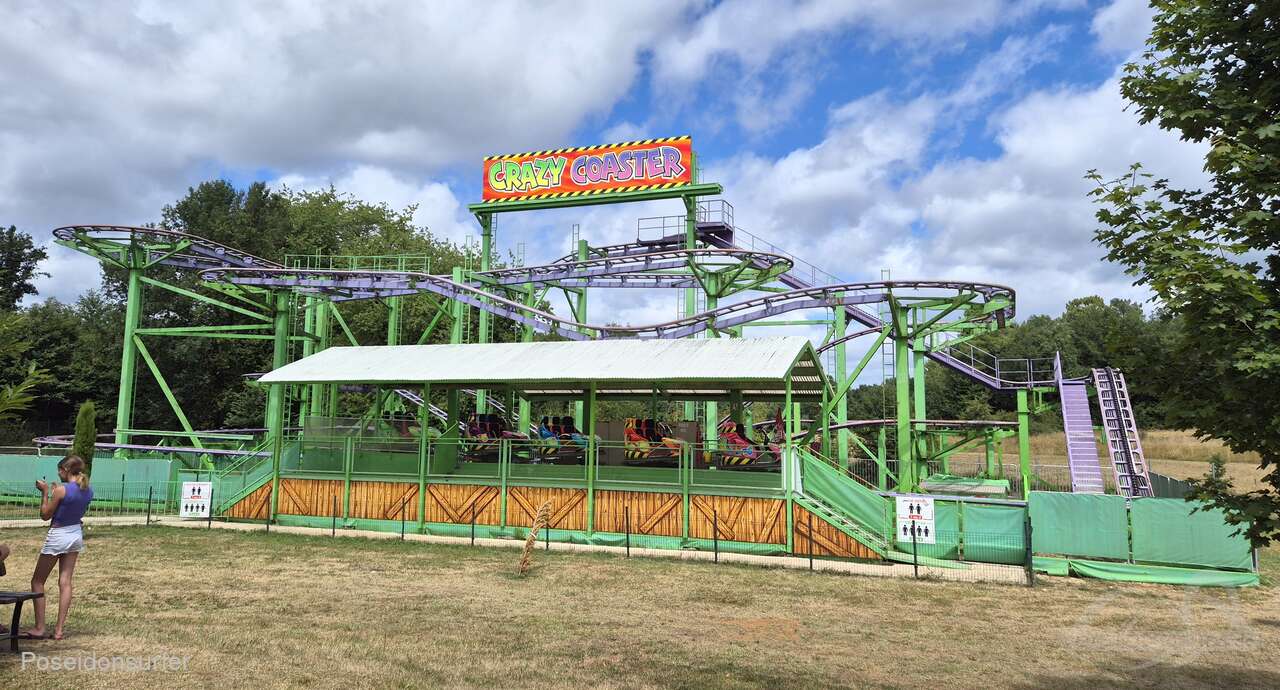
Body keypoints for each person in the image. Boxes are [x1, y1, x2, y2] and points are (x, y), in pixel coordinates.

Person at [24, 455, 93, 641]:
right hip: (75, 534)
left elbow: (45, 515)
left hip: (58, 535)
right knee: (65, 582)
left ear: (66, 470)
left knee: (37, 581)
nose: (58, 473)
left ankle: (40, 627)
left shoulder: (61, 490)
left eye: (60, 470)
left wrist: (45, 492)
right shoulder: (88, 490)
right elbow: (72, 508)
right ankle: (59, 630)